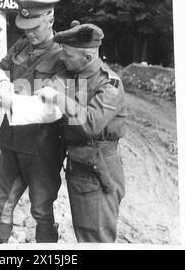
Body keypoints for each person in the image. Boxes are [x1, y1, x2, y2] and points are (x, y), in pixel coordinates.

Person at [0, 0, 66, 244]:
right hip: (11, 141)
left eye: (35, 27)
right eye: (25, 27)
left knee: (41, 210)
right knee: (1, 204)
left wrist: (12, 101)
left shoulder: (63, 55)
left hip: (42, 147)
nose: (29, 33)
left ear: (50, 19)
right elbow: (0, 68)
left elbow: (53, 106)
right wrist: (0, 82)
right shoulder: (21, 45)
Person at [37, 22, 127, 242]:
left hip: (97, 165)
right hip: (80, 163)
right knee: (85, 233)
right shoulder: (73, 73)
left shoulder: (109, 85)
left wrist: (57, 96)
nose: (62, 58)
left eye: (67, 55)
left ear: (87, 58)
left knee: (95, 237)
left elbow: (90, 123)